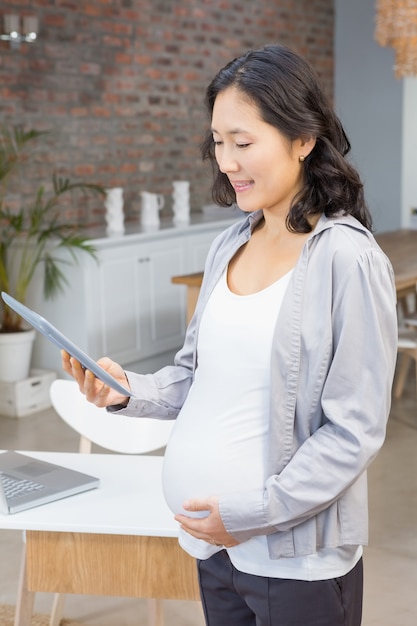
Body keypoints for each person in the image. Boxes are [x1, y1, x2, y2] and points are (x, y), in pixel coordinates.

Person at [63, 44, 398, 626]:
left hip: (296, 563)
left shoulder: (348, 259)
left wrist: (252, 512)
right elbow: (198, 374)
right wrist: (126, 390)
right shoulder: (229, 245)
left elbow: (353, 432)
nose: (226, 161)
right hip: (214, 550)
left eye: (243, 143)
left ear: (303, 139)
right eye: (218, 142)